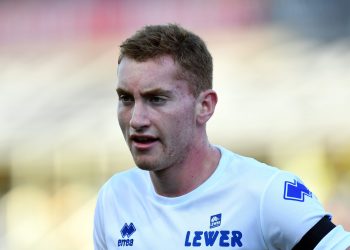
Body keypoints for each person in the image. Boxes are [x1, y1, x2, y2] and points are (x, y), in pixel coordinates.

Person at [93, 24, 350, 249]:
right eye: (126, 99)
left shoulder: (265, 193)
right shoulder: (115, 197)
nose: (136, 119)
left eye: (157, 99)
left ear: (204, 106)